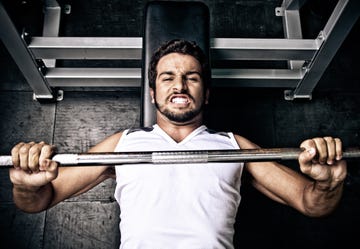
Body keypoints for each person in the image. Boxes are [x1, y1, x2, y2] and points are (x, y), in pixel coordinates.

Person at [9, 39, 347, 248]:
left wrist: (329, 184)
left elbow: (311, 203)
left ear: (206, 92)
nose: (180, 85)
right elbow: (39, 200)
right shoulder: (123, 144)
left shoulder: (234, 146)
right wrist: (26, 185)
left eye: (192, 77)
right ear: (153, 94)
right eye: (167, 77)